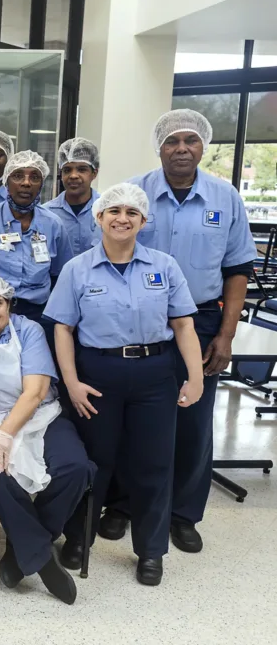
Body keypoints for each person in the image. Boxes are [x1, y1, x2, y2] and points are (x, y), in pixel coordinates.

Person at [97, 110, 256, 555]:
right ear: (159, 147)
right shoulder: (134, 193)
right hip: (140, 322)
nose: (182, 148)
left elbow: (238, 270)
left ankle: (183, 514)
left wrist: (225, 336)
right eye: (172, 141)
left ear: (202, 146)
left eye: (190, 140)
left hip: (202, 321)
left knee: (192, 421)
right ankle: (123, 506)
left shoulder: (225, 198)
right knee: (136, 420)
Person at [43, 183, 204, 586]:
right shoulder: (77, 269)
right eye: (113, 211)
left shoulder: (164, 266)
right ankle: (79, 537)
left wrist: (196, 377)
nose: (122, 218)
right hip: (98, 375)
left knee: (152, 463)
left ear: (144, 221)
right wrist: (72, 383)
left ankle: (151, 551)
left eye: (132, 212)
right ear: (99, 218)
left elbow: (183, 324)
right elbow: (63, 329)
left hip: (154, 374)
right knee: (97, 461)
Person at [0, 274, 92, 605]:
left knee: (75, 468)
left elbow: (36, 391)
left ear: (9, 304)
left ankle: (21, 549)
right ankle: (43, 559)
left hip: (40, 414)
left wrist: (6, 434)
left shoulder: (28, 331)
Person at [0, 150, 72, 322]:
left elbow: (60, 276)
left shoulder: (53, 225)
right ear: (6, 182)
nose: (26, 183)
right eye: (18, 176)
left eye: (35, 177)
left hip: (37, 313)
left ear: (41, 184)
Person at [43, 138, 101, 257]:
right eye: (67, 170)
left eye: (81, 169)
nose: (73, 175)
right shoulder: (46, 213)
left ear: (94, 173)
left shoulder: (107, 210)